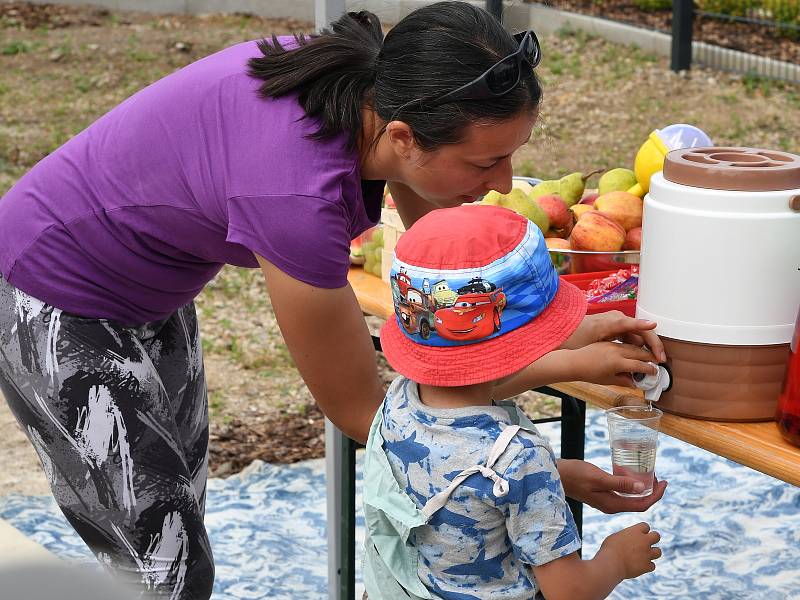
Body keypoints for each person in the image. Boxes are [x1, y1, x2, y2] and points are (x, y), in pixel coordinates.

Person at [0, 2, 665, 597]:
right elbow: (373, 417)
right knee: (164, 571)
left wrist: (564, 335)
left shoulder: (366, 84)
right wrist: (545, 478)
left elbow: (440, 296)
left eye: (510, 156)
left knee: (171, 527)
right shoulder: (297, 198)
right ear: (403, 138)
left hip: (148, 285)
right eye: (483, 163)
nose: (505, 181)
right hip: (50, 291)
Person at [363, 204, 662, 600]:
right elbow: (571, 592)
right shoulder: (519, 459)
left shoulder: (401, 397)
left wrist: (555, 477)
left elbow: (454, 465)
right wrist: (618, 560)